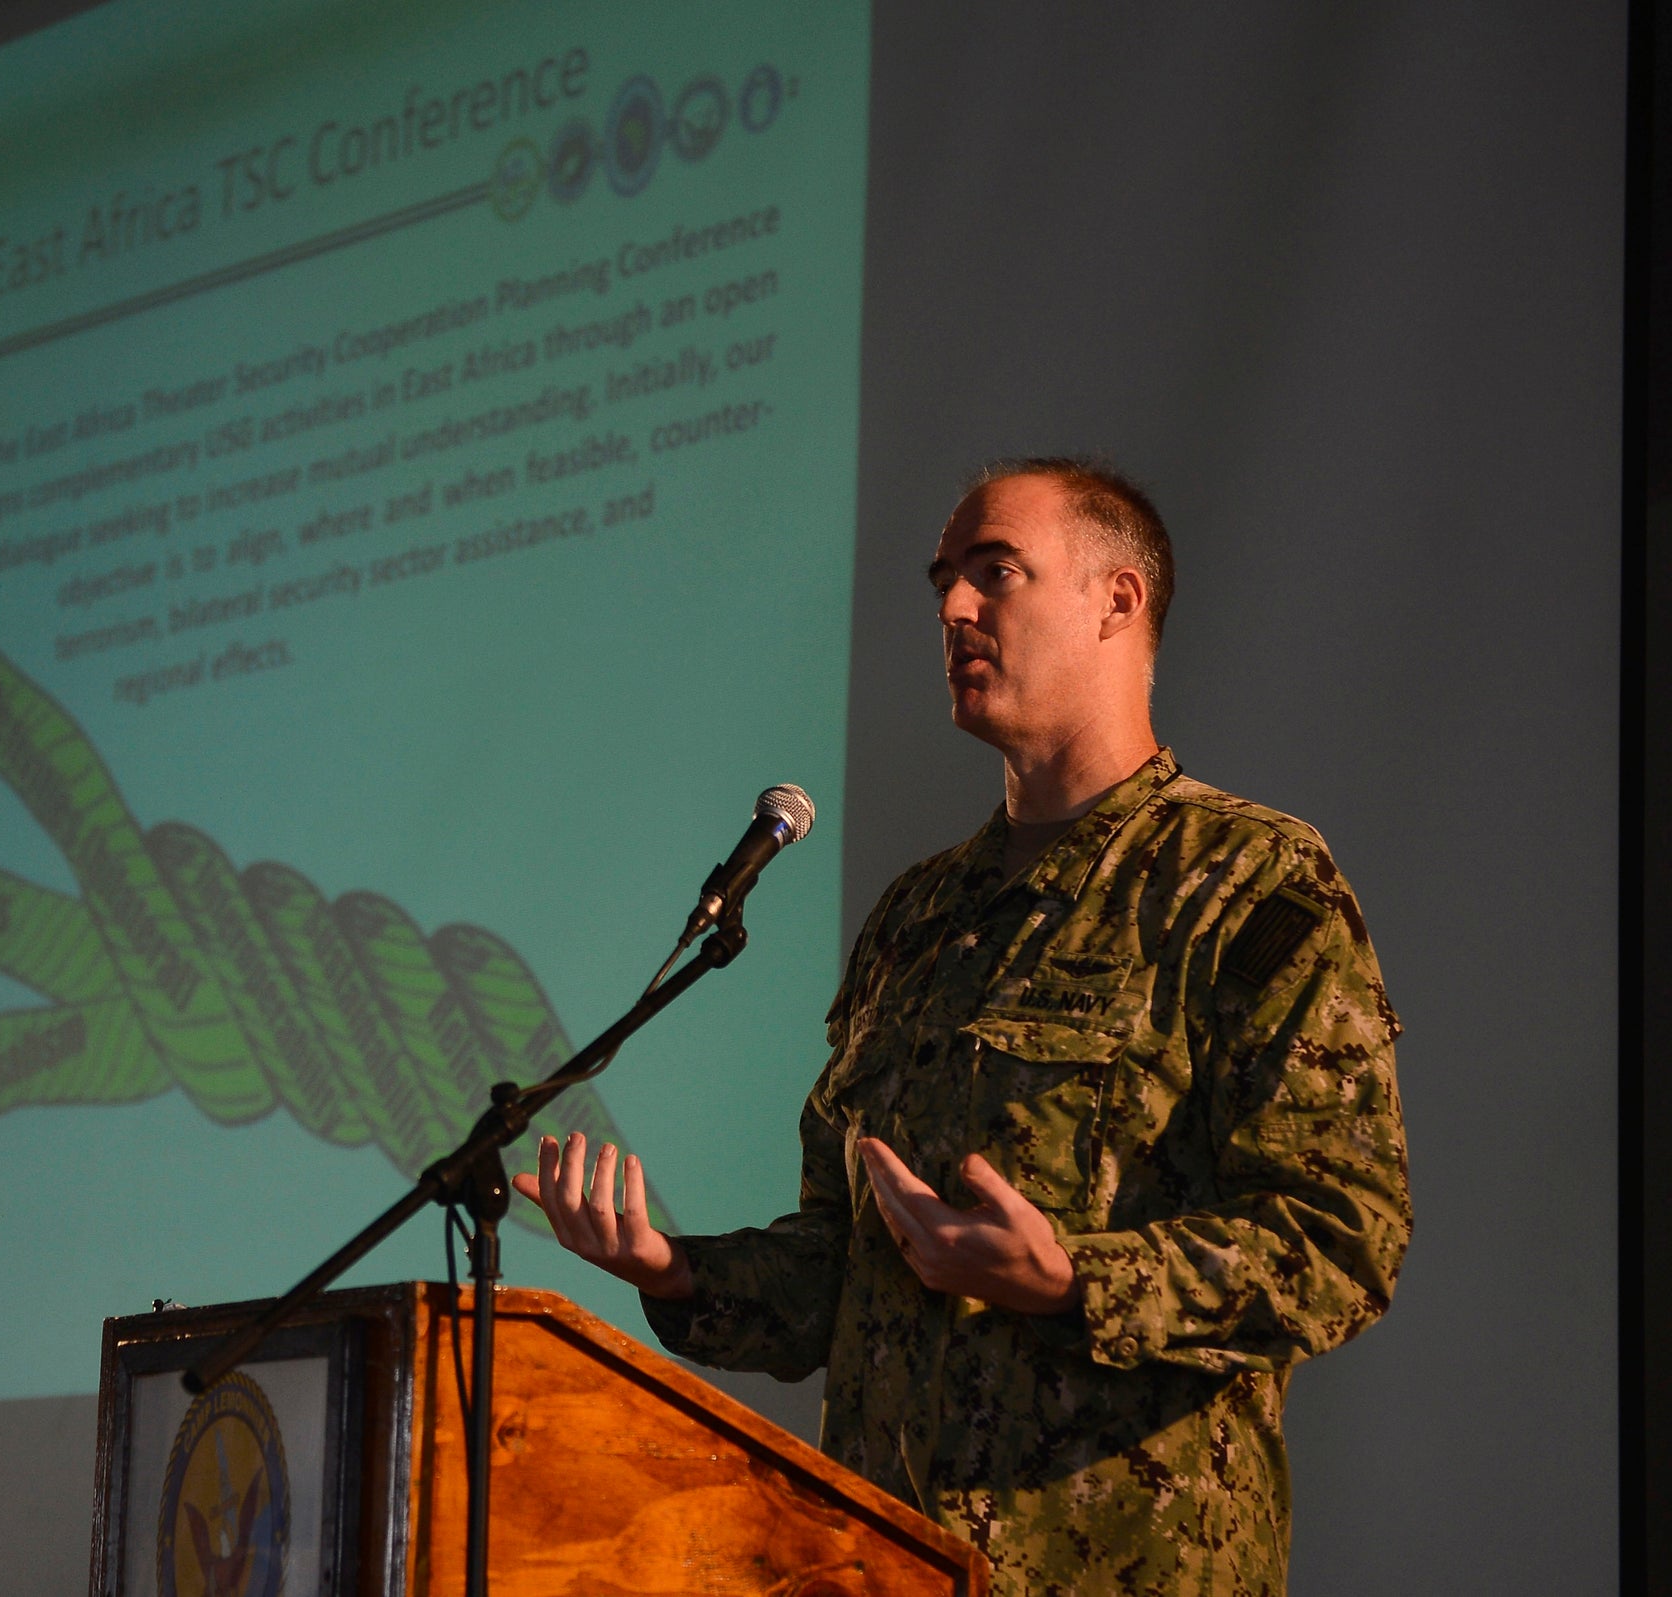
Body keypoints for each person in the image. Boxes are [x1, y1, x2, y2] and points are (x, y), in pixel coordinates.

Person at [511, 459, 1410, 1596]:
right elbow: (841, 1261)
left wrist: (1077, 1279)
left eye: (997, 573)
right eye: (943, 580)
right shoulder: (917, 915)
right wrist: (675, 1269)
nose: (952, 609)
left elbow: (1343, 1236)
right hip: (888, 1565)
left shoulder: (1247, 881)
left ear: (1115, 600)